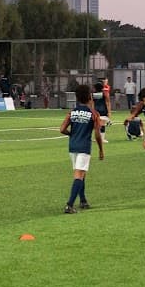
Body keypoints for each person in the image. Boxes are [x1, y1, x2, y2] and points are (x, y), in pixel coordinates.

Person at [59, 83, 105, 214]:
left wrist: (71, 134)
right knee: (79, 175)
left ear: (77, 98)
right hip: (84, 147)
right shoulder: (93, 114)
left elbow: (62, 129)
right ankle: (69, 205)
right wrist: (101, 150)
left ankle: (83, 200)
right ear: (90, 97)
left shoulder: (72, 112)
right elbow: (97, 134)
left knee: (81, 173)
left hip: (72, 146)